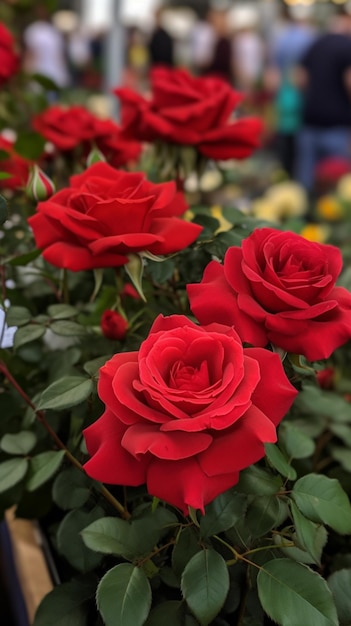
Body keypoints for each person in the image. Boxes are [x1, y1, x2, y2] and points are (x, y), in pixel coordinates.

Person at [295, 7, 351, 193]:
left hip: (310, 120)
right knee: (337, 184)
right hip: (337, 123)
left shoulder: (316, 43)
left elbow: (300, 78)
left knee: (306, 182)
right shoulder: (347, 46)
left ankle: (302, 219)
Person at [265, 4, 316, 177]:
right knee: (299, 146)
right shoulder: (309, 37)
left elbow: (273, 71)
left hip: (284, 95)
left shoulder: (282, 37)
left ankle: (284, 175)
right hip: (299, 96)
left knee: (284, 141)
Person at [22, 6, 71, 92]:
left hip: (45, 77)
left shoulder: (39, 30)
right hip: (47, 77)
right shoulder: (46, 31)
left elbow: (30, 56)